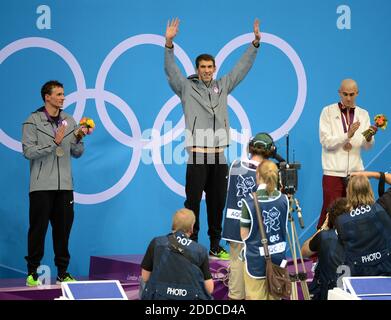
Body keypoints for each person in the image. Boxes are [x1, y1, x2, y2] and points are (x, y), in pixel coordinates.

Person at [164, 18, 261, 259]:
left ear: (214, 68)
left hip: (219, 157)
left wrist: (255, 45)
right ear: (197, 69)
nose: (207, 70)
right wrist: (168, 44)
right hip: (197, 156)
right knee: (193, 203)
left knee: (217, 204)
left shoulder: (223, 86)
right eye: (203, 67)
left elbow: (241, 69)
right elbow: (171, 70)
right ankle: (192, 245)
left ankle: (216, 245)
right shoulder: (186, 87)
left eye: (210, 67)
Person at [22, 80, 85, 286]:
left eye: (63, 94)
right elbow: (28, 152)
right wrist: (54, 142)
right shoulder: (32, 121)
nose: (62, 97)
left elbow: (77, 153)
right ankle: (32, 272)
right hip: (41, 187)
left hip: (65, 187)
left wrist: (78, 138)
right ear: (47, 97)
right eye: (58, 94)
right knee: (38, 230)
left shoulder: (69, 120)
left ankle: (62, 272)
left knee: (63, 232)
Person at [221, 133, 275, 300]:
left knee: (236, 268)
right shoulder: (268, 172)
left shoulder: (235, 165)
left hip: (233, 226)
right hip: (256, 229)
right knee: (256, 274)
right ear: (271, 151)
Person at [317, 79, 375, 229]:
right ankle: (320, 251)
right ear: (339, 92)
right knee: (329, 214)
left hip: (356, 173)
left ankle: (356, 251)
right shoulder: (327, 111)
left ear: (357, 93)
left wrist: (369, 137)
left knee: (358, 213)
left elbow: (368, 147)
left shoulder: (363, 114)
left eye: (352, 94)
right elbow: (326, 142)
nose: (348, 98)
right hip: (333, 172)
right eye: (345, 94)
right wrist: (347, 135)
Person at [240, 160, 289, 300]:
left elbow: (244, 235)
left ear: (257, 175)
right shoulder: (284, 199)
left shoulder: (248, 201)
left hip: (256, 261)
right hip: (278, 260)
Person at [140, 208, 214, 300]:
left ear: (173, 224)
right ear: (191, 227)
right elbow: (209, 289)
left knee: (144, 283)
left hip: (159, 297)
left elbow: (145, 277)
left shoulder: (157, 243)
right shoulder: (200, 250)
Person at [335, 175, 391, 277]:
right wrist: (375, 174)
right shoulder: (381, 208)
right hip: (386, 268)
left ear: (349, 193)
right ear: (369, 190)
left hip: (359, 272)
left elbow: (341, 251)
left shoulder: (341, 221)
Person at [301, 198, 347, 300]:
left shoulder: (324, 237)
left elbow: (303, 252)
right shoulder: (361, 237)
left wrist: (323, 228)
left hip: (325, 293)